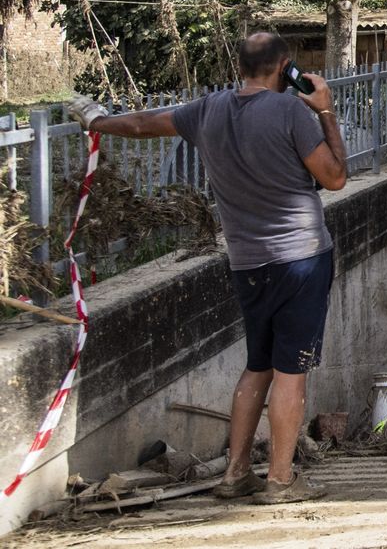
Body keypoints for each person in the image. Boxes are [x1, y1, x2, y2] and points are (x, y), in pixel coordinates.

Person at [70, 32, 348, 505]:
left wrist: (98, 119)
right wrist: (323, 109)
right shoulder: (289, 112)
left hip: (247, 262)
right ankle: (281, 480)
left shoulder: (207, 110)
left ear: (240, 67)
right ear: (285, 68)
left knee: (257, 364)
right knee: (291, 371)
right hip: (300, 259)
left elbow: (143, 124)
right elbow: (336, 177)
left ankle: (236, 473)